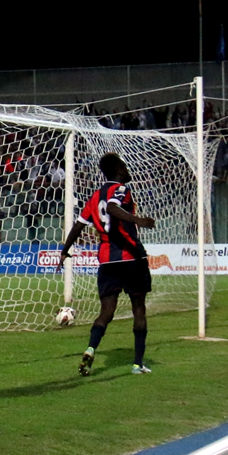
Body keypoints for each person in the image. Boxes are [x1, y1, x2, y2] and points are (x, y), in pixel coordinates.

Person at [59, 153, 155, 376]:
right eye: (124, 165)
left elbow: (78, 226)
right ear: (118, 169)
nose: (127, 169)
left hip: (106, 261)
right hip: (130, 257)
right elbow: (112, 208)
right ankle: (137, 364)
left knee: (106, 312)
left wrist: (65, 251)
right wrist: (138, 220)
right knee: (138, 308)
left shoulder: (94, 197)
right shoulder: (121, 189)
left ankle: (91, 348)